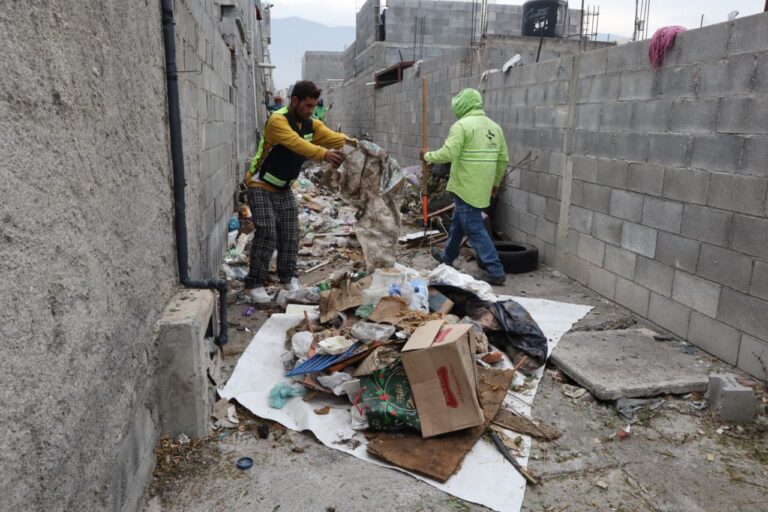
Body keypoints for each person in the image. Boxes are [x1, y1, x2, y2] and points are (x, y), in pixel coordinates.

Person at [243, 81, 352, 303]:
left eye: (313, 106)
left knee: (291, 233)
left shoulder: (310, 124)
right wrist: (323, 154)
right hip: (260, 183)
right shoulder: (277, 121)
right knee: (267, 231)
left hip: (283, 186)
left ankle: (288, 277)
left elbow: (335, 138)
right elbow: (296, 144)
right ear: (295, 101)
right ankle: (254, 283)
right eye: (308, 106)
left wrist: (359, 145)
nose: (311, 110)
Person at [420, 88, 509, 286]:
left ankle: (496, 271)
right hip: (482, 187)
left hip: (465, 186)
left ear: (461, 106)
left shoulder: (461, 126)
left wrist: (427, 156)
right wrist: (494, 184)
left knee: (475, 228)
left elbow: (448, 153)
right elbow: (503, 159)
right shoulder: (495, 128)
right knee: (458, 223)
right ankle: (447, 258)